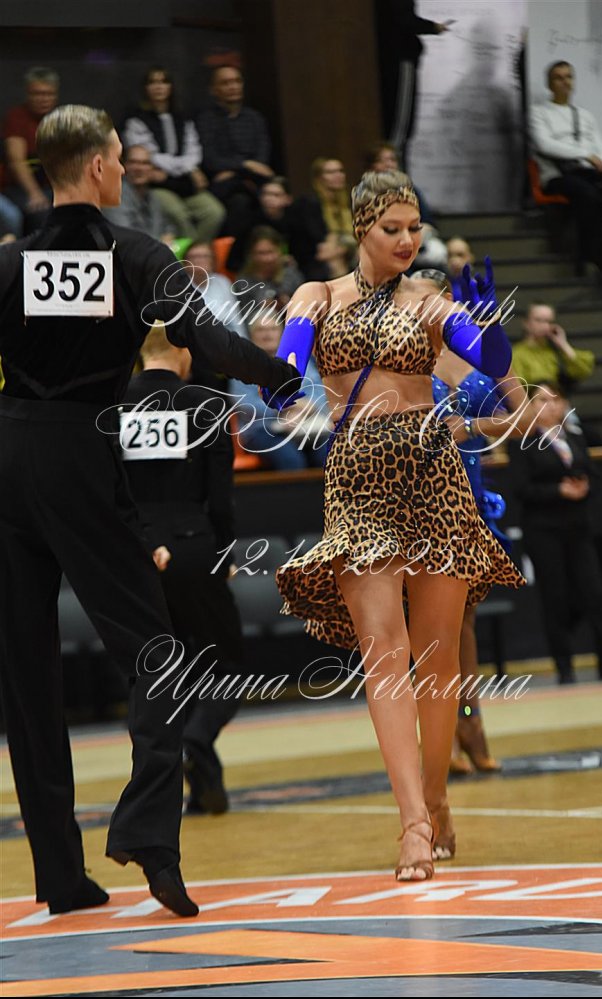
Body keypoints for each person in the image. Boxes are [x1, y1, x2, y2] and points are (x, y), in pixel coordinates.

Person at [0, 104, 301, 918]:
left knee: (26, 675)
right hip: (80, 456)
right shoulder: (136, 253)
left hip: (9, 456)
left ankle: (61, 875)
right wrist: (279, 376)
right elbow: (210, 342)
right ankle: (148, 833)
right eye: (117, 156)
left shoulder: (10, 260)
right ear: (101, 167)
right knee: (158, 653)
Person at [270, 170, 524, 879]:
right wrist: (283, 379)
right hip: (358, 478)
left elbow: (490, 361)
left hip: (434, 470)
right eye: (393, 229)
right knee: (385, 651)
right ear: (362, 228)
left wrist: (489, 329)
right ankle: (412, 822)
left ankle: (436, 796)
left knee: (438, 661)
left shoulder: (430, 301)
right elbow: (282, 371)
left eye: (415, 228)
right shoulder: (317, 296)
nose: (408, 240)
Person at [120, 323, 245, 814]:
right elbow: (221, 496)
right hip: (195, 546)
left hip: (137, 553)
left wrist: (140, 542)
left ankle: (206, 789)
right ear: (183, 354)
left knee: (168, 670)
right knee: (228, 666)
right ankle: (195, 739)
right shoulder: (205, 403)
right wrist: (225, 553)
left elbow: (110, 488)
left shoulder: (115, 405)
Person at [412, 268, 531, 774]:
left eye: (426, 299)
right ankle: (448, 731)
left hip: (471, 503)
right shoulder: (403, 358)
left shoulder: (479, 352)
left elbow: (526, 417)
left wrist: (474, 426)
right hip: (422, 504)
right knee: (432, 627)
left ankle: (466, 721)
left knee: (463, 622)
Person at [508, 382, 602, 685]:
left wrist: (584, 487)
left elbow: (595, 474)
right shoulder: (523, 441)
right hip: (543, 530)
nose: (550, 406)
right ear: (530, 407)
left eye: (555, 400)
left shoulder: (575, 436)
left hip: (578, 527)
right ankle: (565, 668)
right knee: (555, 599)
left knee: (596, 594)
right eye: (541, 401)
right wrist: (557, 490)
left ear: (564, 405)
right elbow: (521, 488)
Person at [529, 61, 602, 278]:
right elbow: (545, 145)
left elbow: (601, 147)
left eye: (569, 77)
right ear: (549, 84)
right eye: (559, 78)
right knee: (590, 196)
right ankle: (592, 260)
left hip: (589, 173)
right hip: (557, 176)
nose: (565, 82)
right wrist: (585, 155)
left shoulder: (585, 115)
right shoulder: (539, 113)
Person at [123, 66, 225, 243]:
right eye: (153, 82)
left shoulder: (182, 118)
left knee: (214, 212)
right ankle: (191, 257)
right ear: (146, 88)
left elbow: (193, 151)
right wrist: (187, 169)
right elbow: (150, 155)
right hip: (157, 185)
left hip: (183, 183)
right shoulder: (137, 120)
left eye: (163, 82)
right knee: (178, 214)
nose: (158, 87)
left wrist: (187, 169)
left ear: (171, 87)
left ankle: (199, 254)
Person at [228, 316, 330, 471]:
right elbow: (246, 404)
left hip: (306, 425)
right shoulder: (244, 364)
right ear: (251, 335)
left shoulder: (297, 359)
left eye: (273, 329)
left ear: (282, 333)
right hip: (262, 430)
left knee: (327, 452)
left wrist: (308, 406)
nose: (267, 334)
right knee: (291, 460)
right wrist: (285, 407)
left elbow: (319, 393)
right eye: (261, 330)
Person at [196, 65, 273, 235]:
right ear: (213, 90)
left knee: (275, 194)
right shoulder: (206, 119)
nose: (233, 87)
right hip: (223, 187)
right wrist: (246, 164)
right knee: (240, 201)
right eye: (226, 83)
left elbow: (262, 160)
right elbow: (210, 160)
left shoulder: (254, 118)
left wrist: (235, 170)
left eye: (237, 81)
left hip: (253, 180)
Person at [374, 1, 450, 164]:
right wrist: (433, 27)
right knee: (398, 127)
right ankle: (393, 170)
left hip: (387, 58)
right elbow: (404, 19)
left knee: (394, 126)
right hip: (398, 59)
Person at [365, 142, 447, 270]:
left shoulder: (411, 190)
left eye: (392, 160)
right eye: (382, 161)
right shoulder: (366, 194)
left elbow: (428, 222)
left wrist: (420, 231)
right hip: (384, 243)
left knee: (438, 253)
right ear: (371, 166)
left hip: (414, 241)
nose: (388, 164)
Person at [3, 66, 59, 232]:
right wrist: (34, 193)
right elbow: (16, 161)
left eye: (48, 94)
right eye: (37, 94)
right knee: (41, 214)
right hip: (17, 188)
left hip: (52, 188)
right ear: (28, 94)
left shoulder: (60, 119)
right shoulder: (17, 117)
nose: (43, 99)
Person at [289, 158, 356, 282]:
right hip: (315, 257)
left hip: (344, 250)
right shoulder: (309, 203)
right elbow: (317, 240)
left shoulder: (349, 202)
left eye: (340, 171)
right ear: (319, 178)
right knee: (335, 259)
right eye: (330, 172)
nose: (338, 175)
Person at [511, 301, 595, 391]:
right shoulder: (516, 354)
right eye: (538, 320)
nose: (544, 325)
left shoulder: (557, 351)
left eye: (549, 321)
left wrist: (563, 345)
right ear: (526, 323)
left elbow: (583, 371)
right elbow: (514, 388)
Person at [236, 225, 303, 325]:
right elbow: (242, 317)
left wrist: (288, 304)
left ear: (280, 251)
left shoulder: (291, 274)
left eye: (270, 252)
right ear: (251, 255)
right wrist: (262, 307)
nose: (267, 259)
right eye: (261, 253)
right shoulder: (243, 282)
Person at [102, 145, 172, 240]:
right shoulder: (114, 195)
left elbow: (166, 227)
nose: (139, 168)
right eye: (133, 162)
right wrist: (161, 242)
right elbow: (126, 237)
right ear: (124, 166)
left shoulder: (153, 198)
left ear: (152, 169)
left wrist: (169, 236)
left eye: (145, 163)